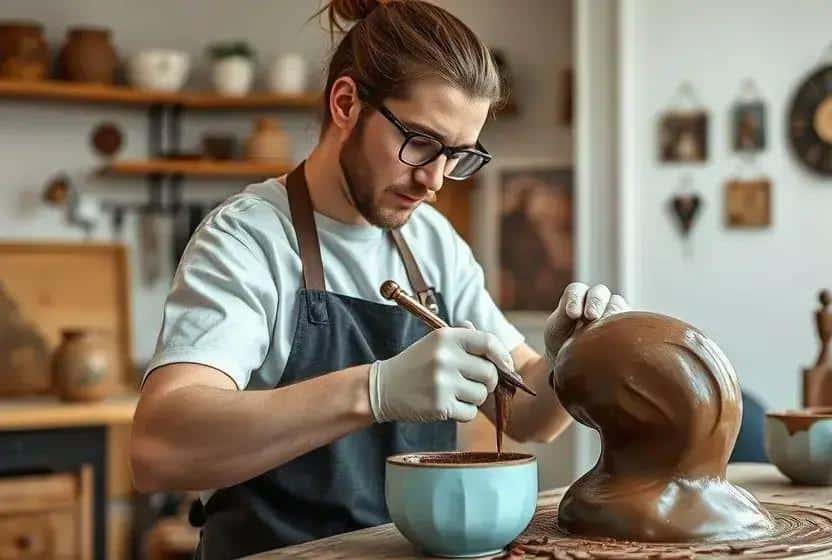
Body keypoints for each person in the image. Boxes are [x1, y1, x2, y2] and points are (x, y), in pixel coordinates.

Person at [128, 1, 629, 558]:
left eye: (458, 155)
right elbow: (158, 447)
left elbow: (533, 419)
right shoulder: (249, 239)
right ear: (345, 103)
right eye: (420, 141)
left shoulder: (431, 240)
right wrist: (375, 390)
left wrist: (570, 358)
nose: (435, 179)